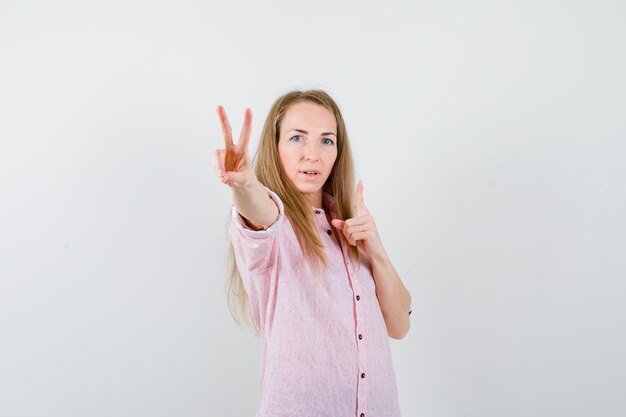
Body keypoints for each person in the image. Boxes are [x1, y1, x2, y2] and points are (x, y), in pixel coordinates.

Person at [214, 89, 412, 417]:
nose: (312, 154)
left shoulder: (350, 227)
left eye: (326, 141)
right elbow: (258, 211)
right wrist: (243, 185)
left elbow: (400, 326)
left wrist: (377, 253)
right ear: (275, 147)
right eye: (297, 138)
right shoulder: (274, 225)